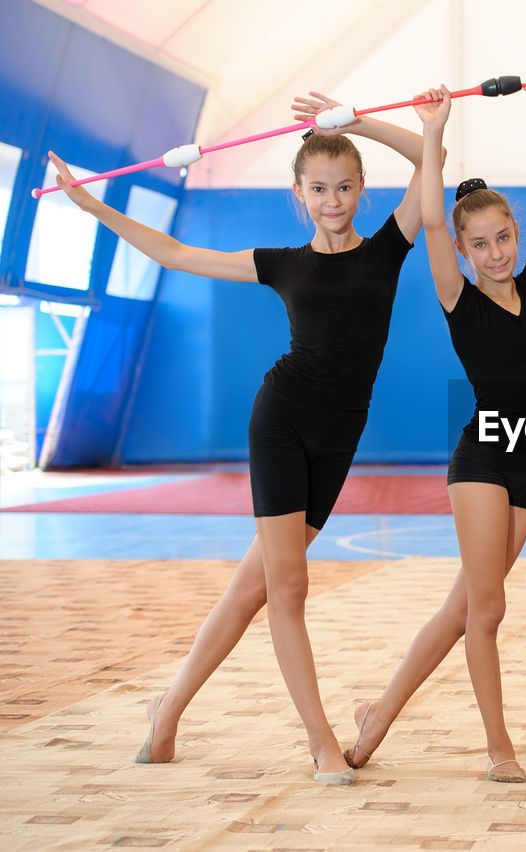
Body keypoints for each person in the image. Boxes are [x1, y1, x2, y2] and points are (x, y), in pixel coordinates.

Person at [51, 93, 424, 784]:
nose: (333, 199)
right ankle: (320, 743)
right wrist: (93, 206)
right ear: (299, 194)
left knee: (252, 590)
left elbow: (430, 161)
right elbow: (172, 250)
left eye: (345, 186)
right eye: (319, 188)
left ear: (362, 190)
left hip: (340, 438)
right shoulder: (280, 262)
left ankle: (165, 715)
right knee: (288, 587)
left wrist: (358, 122)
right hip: (281, 419)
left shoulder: (388, 251)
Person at [341, 75, 526, 784]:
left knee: (463, 607)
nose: (497, 253)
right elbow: (433, 221)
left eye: (504, 238)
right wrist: (433, 130)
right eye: (483, 245)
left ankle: (377, 714)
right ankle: (498, 745)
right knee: (490, 606)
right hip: (482, 459)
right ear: (467, 253)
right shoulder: (457, 298)